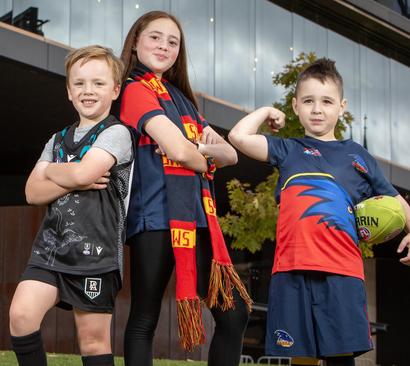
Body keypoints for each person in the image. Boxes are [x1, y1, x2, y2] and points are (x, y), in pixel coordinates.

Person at [229, 58, 410, 366]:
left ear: (342, 107)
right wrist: (265, 112)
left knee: (340, 358)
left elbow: (399, 205)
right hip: (291, 270)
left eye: (326, 101)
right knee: (300, 357)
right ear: (296, 105)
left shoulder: (358, 156)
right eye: (308, 101)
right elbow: (238, 137)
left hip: (342, 273)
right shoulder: (288, 150)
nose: (317, 109)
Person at [117, 11, 252, 366]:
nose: (164, 46)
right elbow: (178, 150)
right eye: (155, 37)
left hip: (197, 218)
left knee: (234, 312)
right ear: (135, 42)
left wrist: (201, 151)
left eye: (172, 41)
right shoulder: (134, 90)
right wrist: (203, 154)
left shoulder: (182, 100)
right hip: (155, 218)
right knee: (145, 318)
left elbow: (230, 155)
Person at [8, 45, 133, 366]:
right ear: (68, 90)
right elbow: (32, 193)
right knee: (21, 315)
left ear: (115, 90)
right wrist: (65, 174)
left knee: (92, 343)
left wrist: (54, 172)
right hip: (49, 251)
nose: (87, 91)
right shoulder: (57, 139)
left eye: (98, 83)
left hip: (97, 256)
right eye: (79, 83)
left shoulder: (116, 132)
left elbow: (84, 172)